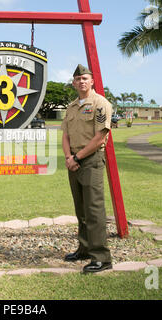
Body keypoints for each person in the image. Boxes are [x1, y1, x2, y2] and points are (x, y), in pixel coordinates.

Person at [61, 65, 113, 273]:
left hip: (90, 160)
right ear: (74, 83)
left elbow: (100, 136)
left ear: (92, 81)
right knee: (81, 209)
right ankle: (84, 249)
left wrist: (77, 157)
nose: (81, 81)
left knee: (94, 210)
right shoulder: (72, 107)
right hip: (73, 160)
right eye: (77, 79)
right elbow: (65, 135)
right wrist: (68, 157)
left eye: (85, 78)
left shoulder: (100, 104)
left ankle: (101, 257)